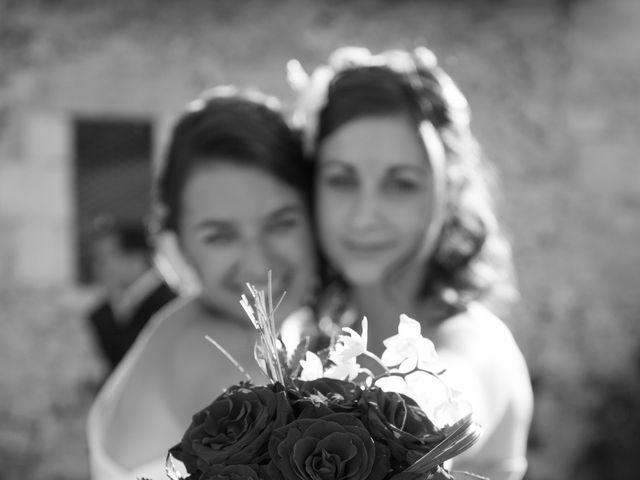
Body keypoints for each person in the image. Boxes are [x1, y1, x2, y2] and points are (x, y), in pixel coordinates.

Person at [291, 47, 534, 480]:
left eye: (401, 184)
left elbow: (433, 405)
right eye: (341, 180)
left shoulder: (477, 346)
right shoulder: (307, 338)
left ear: (449, 191)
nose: (365, 216)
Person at [87, 87, 318, 480]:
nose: (258, 262)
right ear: (179, 246)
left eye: (282, 223)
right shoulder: (225, 358)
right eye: (219, 236)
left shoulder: (180, 326)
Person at [86, 217, 177, 379]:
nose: (99, 268)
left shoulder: (169, 306)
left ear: (136, 258)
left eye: (105, 258)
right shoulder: (109, 310)